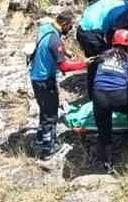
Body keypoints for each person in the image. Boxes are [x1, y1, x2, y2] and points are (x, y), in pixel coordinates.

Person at [29, 10, 86, 158]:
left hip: (36, 77)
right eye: (70, 26)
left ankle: (41, 139)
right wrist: (84, 64)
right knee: (51, 114)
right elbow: (65, 67)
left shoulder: (46, 28)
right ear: (65, 24)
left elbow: (51, 47)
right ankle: (48, 149)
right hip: (45, 80)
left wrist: (65, 53)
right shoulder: (55, 40)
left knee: (45, 109)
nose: (70, 29)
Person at [90, 29, 128, 168]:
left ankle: (106, 158)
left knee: (104, 126)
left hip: (99, 94)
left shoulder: (102, 56)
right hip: (119, 95)